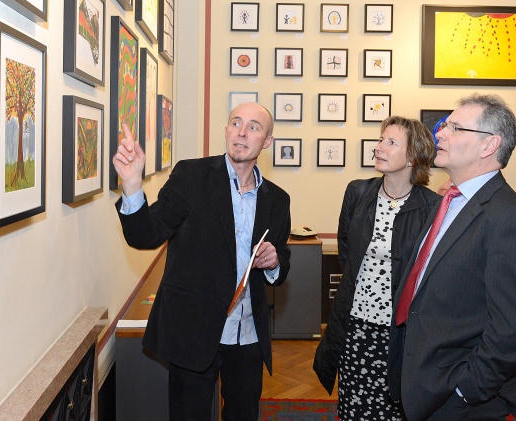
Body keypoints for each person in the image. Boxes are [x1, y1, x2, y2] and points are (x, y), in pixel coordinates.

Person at [112, 102, 291, 421]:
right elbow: (147, 235)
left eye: (253, 127)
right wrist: (132, 186)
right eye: (236, 122)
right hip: (194, 334)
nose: (242, 132)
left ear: (267, 141)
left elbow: (280, 259)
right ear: (226, 131)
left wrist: (275, 261)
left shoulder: (277, 199)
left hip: (247, 336)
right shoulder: (191, 176)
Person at [389, 93, 516, 421]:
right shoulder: (447, 202)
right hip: (419, 383)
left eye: (455, 128)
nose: (440, 134)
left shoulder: (513, 219)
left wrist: (466, 390)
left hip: (460, 402)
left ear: (489, 145)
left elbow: (515, 330)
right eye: (444, 125)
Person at [313, 116, 439, 420]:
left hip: (400, 332)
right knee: (354, 405)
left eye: (391, 142)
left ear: (412, 156)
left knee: (394, 409)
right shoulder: (357, 193)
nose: (379, 147)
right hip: (354, 324)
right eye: (381, 139)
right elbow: (347, 252)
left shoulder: (431, 207)